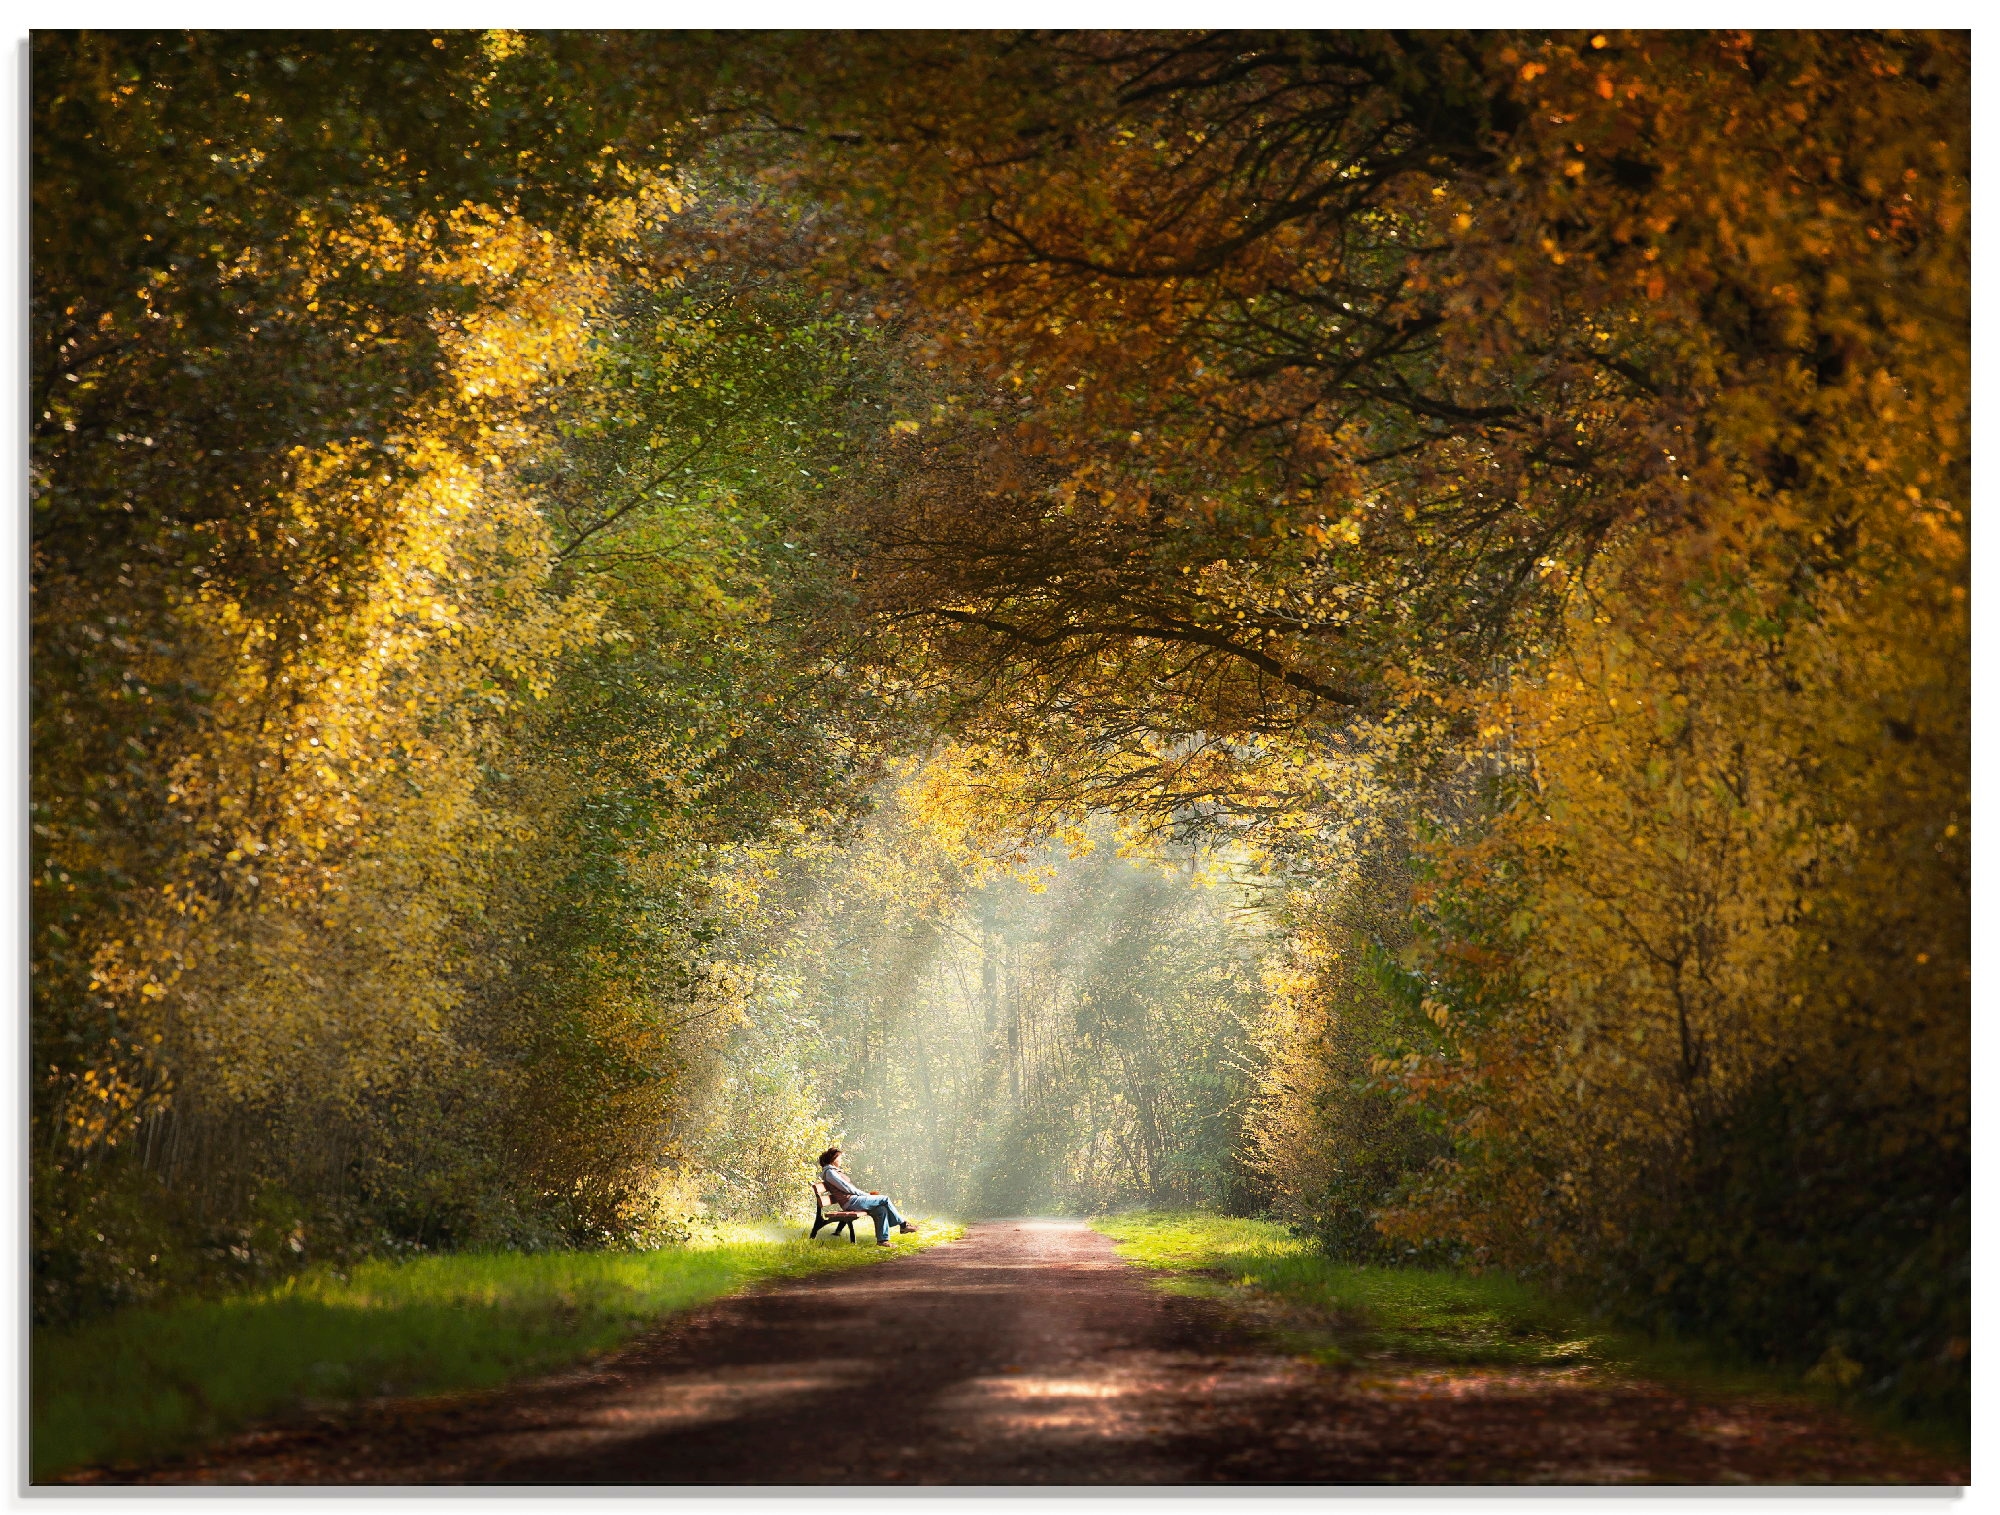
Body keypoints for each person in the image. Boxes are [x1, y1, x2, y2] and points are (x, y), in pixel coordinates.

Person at [818, 1146, 918, 1246]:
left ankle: (882, 1241)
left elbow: (847, 1188)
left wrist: (867, 1196)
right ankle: (903, 1225)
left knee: (881, 1209)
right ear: (833, 1159)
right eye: (839, 1158)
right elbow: (846, 1188)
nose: (840, 1161)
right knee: (885, 1199)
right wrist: (865, 1195)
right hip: (851, 1202)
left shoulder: (833, 1171)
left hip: (853, 1201)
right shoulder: (830, 1172)